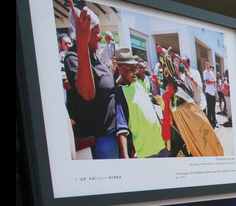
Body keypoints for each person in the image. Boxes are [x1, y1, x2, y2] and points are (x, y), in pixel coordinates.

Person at [63, 0, 118, 159]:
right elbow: (87, 93)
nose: (100, 38)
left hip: (113, 132)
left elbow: (107, 87)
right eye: (96, 33)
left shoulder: (96, 55)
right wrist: (81, 43)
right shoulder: (73, 57)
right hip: (99, 138)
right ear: (83, 35)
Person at [113, 49, 166, 159]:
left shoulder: (139, 85)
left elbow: (151, 110)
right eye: (132, 69)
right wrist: (126, 158)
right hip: (145, 152)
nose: (135, 71)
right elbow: (122, 129)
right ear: (122, 69)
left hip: (160, 144)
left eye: (136, 68)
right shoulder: (120, 93)